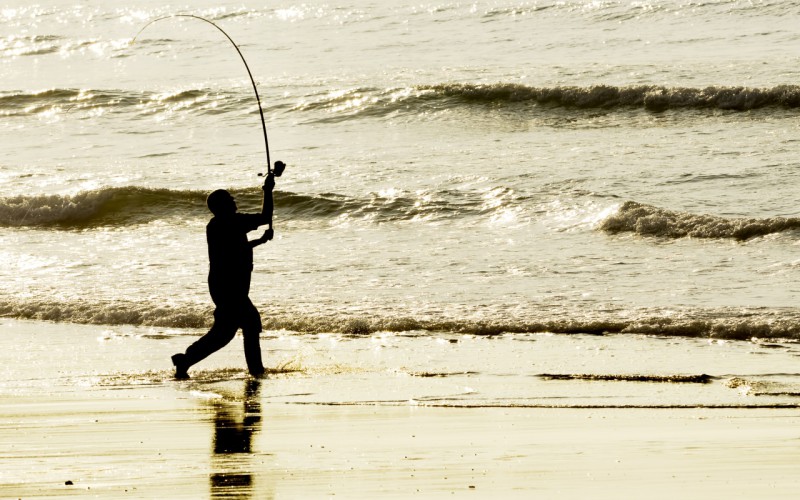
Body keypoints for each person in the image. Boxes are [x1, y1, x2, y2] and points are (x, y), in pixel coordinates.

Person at [171, 173, 276, 379]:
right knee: (250, 323)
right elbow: (265, 217)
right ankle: (256, 370)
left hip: (222, 284)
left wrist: (259, 241)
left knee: (224, 333)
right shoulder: (231, 222)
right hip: (230, 286)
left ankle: (185, 360)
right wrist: (268, 191)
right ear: (223, 206)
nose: (234, 201)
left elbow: (235, 249)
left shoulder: (215, 225)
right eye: (230, 200)